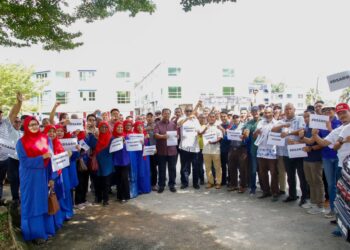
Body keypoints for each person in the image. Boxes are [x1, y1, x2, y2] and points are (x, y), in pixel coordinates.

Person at [16, 116, 52, 243]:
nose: (34, 127)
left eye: (35, 124)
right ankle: (32, 233)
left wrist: (51, 176)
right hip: (29, 176)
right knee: (31, 202)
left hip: (43, 174)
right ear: (26, 126)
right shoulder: (21, 142)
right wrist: (41, 157)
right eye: (30, 125)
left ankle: (43, 230)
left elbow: (50, 156)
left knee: (41, 201)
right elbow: (24, 161)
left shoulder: (45, 138)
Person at [312, 103, 350, 216]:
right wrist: (314, 135)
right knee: (341, 192)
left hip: (342, 164)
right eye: (340, 113)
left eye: (344, 112)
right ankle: (338, 215)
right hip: (342, 166)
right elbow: (326, 143)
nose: (342, 115)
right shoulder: (338, 130)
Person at [272, 103, 308, 205]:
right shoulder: (282, 121)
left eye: (290, 109)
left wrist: (288, 133)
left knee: (301, 176)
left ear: (294, 109)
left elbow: (302, 130)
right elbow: (273, 130)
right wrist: (283, 125)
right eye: (286, 109)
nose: (288, 111)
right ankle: (292, 195)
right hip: (286, 153)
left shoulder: (300, 119)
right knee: (290, 176)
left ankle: (304, 197)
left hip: (298, 151)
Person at [298, 110, 325, 214]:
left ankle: (320, 205)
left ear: (313, 117)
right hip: (306, 158)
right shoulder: (307, 128)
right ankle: (313, 202)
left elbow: (314, 142)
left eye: (308, 116)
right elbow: (304, 142)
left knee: (317, 181)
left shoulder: (317, 128)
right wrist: (299, 139)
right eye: (304, 117)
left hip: (316, 159)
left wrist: (302, 138)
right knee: (310, 181)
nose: (306, 119)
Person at [318, 105, 342, 218]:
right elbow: (320, 141)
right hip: (326, 157)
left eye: (329, 110)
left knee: (340, 185)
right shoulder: (320, 124)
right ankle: (332, 209)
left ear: (334, 111)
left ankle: (341, 211)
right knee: (331, 184)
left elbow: (340, 139)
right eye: (324, 111)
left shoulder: (340, 122)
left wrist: (329, 128)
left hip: (338, 157)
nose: (327, 112)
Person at [0, 92, 23, 205]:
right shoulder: (8, 126)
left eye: (0, 113)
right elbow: (13, 114)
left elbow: (14, 113)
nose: (18, 122)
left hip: (13, 159)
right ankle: (11, 199)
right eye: (16, 121)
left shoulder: (7, 124)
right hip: (10, 159)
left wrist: (19, 102)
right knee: (9, 180)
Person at [254, 107, 279, 201]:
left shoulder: (277, 123)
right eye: (265, 113)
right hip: (261, 151)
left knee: (273, 173)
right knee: (262, 173)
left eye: (269, 112)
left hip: (272, 152)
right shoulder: (260, 123)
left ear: (272, 113)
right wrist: (256, 132)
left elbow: (280, 137)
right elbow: (255, 136)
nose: (267, 114)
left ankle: (275, 192)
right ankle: (266, 191)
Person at [154, 108, 178, 193]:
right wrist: (162, 136)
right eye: (164, 113)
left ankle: (172, 185)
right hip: (161, 151)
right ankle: (161, 185)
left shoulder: (173, 124)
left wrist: (177, 137)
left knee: (172, 169)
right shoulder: (157, 124)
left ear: (170, 114)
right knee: (161, 169)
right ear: (162, 114)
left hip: (172, 151)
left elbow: (177, 135)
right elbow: (156, 135)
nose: (166, 115)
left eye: (168, 113)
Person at [177, 106, 202, 189]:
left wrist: (202, 131)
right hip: (184, 147)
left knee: (195, 167)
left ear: (192, 111)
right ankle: (184, 183)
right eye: (187, 111)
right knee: (184, 167)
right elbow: (179, 124)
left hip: (194, 148)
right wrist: (187, 118)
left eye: (190, 111)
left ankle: (195, 183)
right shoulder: (182, 118)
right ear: (184, 111)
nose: (188, 112)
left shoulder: (196, 120)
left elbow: (199, 130)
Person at [200, 112, 223, 189]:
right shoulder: (204, 126)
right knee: (207, 167)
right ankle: (210, 182)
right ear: (208, 118)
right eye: (210, 117)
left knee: (217, 167)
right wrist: (206, 128)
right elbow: (200, 134)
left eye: (213, 117)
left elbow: (220, 137)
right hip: (206, 150)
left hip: (216, 150)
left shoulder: (218, 126)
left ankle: (218, 182)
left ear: (215, 118)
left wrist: (214, 141)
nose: (211, 118)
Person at [95, 121, 114, 206]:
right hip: (97, 162)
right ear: (99, 128)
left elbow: (116, 147)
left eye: (106, 127)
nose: (104, 129)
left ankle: (105, 199)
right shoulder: (96, 137)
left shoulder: (111, 138)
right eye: (102, 127)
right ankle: (98, 198)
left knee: (106, 181)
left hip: (107, 162)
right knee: (98, 181)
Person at [227, 114, 248, 193]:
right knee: (232, 167)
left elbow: (247, 137)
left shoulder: (244, 126)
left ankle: (243, 186)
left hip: (241, 149)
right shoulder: (231, 126)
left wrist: (244, 136)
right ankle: (234, 185)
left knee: (242, 169)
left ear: (240, 118)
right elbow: (226, 137)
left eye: (237, 117)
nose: (235, 118)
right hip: (232, 148)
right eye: (234, 117)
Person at [243, 106, 261, 195]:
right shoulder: (249, 122)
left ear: (260, 111)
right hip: (254, 150)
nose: (255, 112)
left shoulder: (264, 121)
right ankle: (253, 188)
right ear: (251, 113)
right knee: (253, 170)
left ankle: (265, 188)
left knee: (263, 170)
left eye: (256, 111)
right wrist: (245, 133)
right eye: (253, 111)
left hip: (264, 150)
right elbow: (246, 130)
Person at [112, 121, 130, 202]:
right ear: (115, 128)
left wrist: (125, 143)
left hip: (125, 161)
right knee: (118, 179)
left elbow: (131, 147)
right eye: (118, 127)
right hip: (116, 161)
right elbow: (111, 149)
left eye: (121, 127)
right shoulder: (112, 138)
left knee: (124, 178)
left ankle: (125, 196)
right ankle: (119, 196)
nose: (120, 128)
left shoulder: (126, 137)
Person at [133, 121, 152, 194]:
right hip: (137, 155)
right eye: (138, 125)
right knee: (139, 171)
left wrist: (145, 138)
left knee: (146, 171)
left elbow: (148, 145)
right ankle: (139, 189)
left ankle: (146, 188)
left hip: (145, 156)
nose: (139, 127)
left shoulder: (146, 134)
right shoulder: (133, 134)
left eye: (141, 125)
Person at [145, 112, 158, 191]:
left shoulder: (157, 126)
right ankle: (147, 183)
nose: (149, 118)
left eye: (151, 116)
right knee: (147, 167)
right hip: (145, 150)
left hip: (154, 150)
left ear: (153, 117)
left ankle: (154, 184)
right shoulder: (143, 126)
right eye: (148, 116)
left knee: (153, 167)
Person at [219, 111, 231, 186]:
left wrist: (223, 130)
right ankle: (223, 180)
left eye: (224, 116)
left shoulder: (230, 125)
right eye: (222, 116)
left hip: (229, 148)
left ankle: (230, 180)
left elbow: (229, 137)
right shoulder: (219, 125)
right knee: (222, 165)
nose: (223, 118)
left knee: (229, 165)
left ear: (227, 117)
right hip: (221, 148)